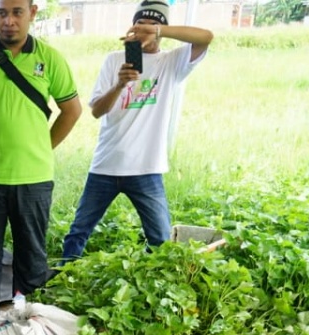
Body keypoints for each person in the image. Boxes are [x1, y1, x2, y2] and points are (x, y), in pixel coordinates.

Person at [0, 0, 82, 316]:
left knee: (31, 260)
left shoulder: (49, 58)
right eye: (2, 13)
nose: (9, 21)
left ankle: (25, 319)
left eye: (17, 13)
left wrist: (42, 146)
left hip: (34, 180)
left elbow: (72, 110)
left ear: (32, 13)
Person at [60, 1, 212, 261]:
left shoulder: (171, 62)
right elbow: (97, 110)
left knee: (160, 239)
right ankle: (62, 276)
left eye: (151, 27)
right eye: (139, 26)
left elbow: (206, 38)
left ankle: (153, 282)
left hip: (146, 168)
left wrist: (159, 32)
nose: (143, 33)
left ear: (162, 29)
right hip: (106, 165)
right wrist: (119, 84)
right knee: (78, 231)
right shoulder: (114, 60)